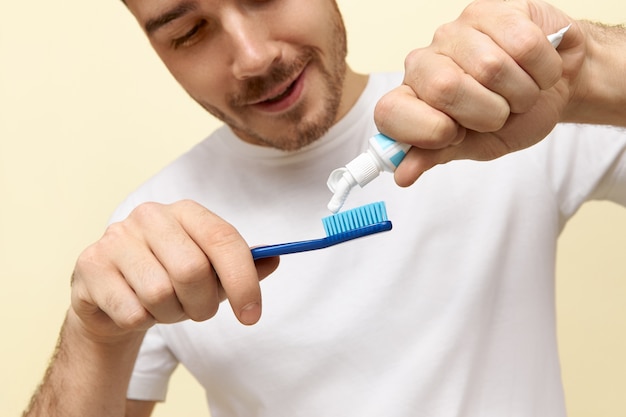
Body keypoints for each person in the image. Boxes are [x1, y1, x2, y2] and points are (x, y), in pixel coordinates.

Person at [23, 0, 626, 416]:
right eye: (188, 32)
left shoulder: (511, 103)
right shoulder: (152, 241)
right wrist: (91, 337)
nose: (254, 56)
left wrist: (591, 72)